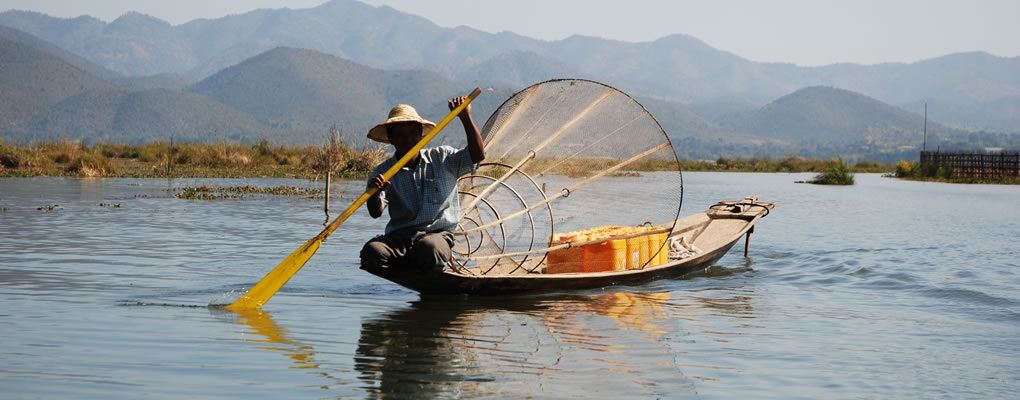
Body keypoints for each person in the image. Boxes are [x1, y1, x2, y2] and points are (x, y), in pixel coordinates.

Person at [360, 96, 485, 274]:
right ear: (392, 139)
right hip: (400, 238)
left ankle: (423, 265)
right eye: (400, 135)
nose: (408, 139)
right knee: (371, 252)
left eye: (412, 133)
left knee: (428, 248)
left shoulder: (442, 158)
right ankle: (410, 266)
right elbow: (375, 212)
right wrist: (374, 193)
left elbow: (478, 155)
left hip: (437, 236)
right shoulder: (383, 172)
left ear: (420, 135)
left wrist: (465, 117)